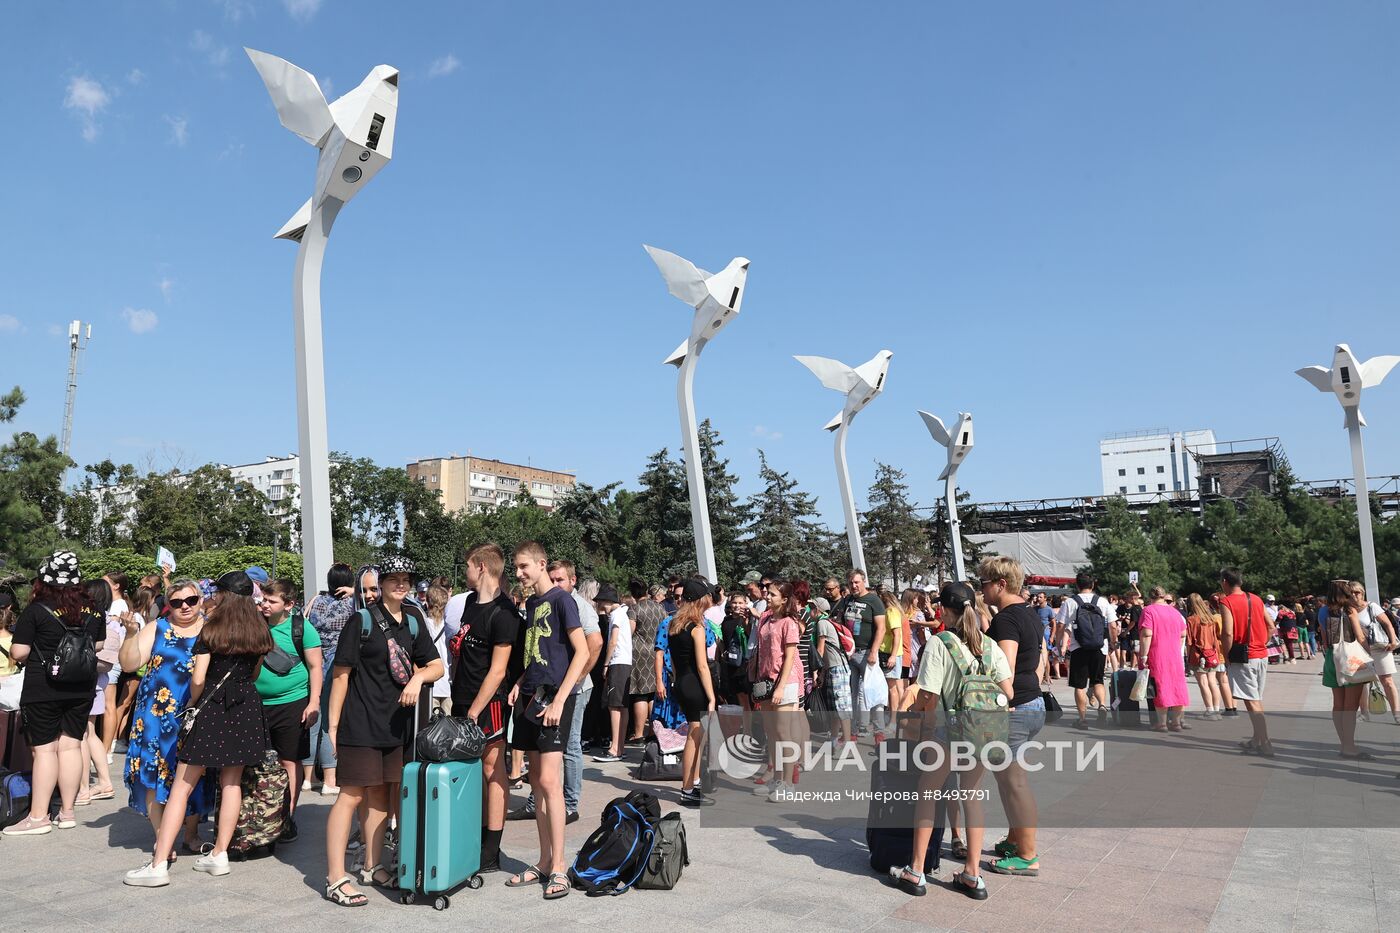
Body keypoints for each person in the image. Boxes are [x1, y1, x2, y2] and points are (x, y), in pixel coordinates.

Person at [123, 571, 274, 886]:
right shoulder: (260, 631)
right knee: (231, 783)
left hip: (211, 709)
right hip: (246, 707)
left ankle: (159, 864)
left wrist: (192, 704)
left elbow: (199, 680)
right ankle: (219, 854)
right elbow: (255, 672)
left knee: (183, 785)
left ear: (224, 595)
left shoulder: (211, 632)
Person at [323, 556, 443, 907]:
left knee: (381, 797)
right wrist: (332, 726)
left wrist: (418, 677)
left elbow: (435, 666)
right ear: (381, 582)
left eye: (406, 579)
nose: (400, 584)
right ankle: (335, 877)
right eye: (393, 578)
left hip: (397, 726)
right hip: (359, 724)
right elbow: (340, 676)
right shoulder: (360, 621)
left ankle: (373, 866)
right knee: (351, 796)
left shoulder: (414, 620)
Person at [895, 581, 1013, 899]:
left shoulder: (940, 643)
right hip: (982, 732)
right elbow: (1009, 691)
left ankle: (916, 871)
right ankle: (973, 874)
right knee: (971, 796)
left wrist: (923, 733)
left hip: (948, 732)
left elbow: (929, 697)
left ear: (945, 611)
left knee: (927, 792)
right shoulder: (989, 646)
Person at [503, 541, 589, 901]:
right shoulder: (533, 604)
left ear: (541, 564)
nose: (520, 573)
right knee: (537, 782)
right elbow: (539, 652)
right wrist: (521, 681)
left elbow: (582, 652)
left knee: (551, 783)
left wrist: (560, 698)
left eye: (524, 567)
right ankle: (542, 861)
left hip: (556, 700)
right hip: (530, 698)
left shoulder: (561, 600)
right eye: (516, 568)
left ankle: (558, 866)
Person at [3, 552, 107, 836]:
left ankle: (38, 818)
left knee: (45, 750)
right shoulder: (94, 608)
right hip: (82, 685)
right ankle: (68, 811)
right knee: (72, 746)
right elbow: (97, 646)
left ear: (44, 579)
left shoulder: (36, 609)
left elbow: (19, 652)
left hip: (44, 687)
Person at [117, 578, 211, 854]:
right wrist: (131, 635)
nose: (184, 607)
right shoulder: (156, 628)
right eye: (177, 602)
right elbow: (130, 663)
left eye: (191, 601)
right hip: (155, 718)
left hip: (195, 715)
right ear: (168, 605)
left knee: (196, 777)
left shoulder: (211, 630)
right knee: (153, 774)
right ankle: (162, 839)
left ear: (200, 600)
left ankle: (191, 834)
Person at [448, 542, 520, 874]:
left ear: (481, 566)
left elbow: (498, 670)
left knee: (492, 769)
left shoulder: (504, 612)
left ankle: (491, 848)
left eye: (467, 565)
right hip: (462, 699)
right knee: (469, 771)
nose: (464, 572)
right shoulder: (470, 604)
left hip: (487, 704)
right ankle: (471, 837)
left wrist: (476, 709)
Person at [979, 556, 1045, 878]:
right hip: (1031, 703)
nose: (982, 589)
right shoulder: (1030, 615)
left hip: (1013, 708)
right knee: (1008, 780)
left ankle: (1028, 855)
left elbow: (1003, 665)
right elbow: (1039, 660)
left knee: (1015, 783)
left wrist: (1000, 702)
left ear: (1000, 584)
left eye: (985, 583)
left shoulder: (1005, 620)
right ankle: (1015, 840)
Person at [253, 578, 323, 843]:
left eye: (272, 601)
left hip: (292, 702)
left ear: (289, 604)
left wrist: (314, 702)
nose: (265, 604)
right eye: (264, 599)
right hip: (256, 704)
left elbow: (316, 668)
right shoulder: (255, 624)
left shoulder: (302, 628)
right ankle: (260, 815)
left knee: (289, 761)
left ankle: (286, 818)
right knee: (255, 762)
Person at [301, 563, 357, 796]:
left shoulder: (315, 602)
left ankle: (308, 778)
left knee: (312, 720)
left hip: (312, 665)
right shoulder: (351, 605)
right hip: (337, 669)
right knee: (330, 723)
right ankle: (330, 779)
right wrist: (356, 593)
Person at [667, 579, 717, 806]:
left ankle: (694, 782)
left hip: (682, 682)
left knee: (695, 734)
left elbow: (676, 663)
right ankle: (687, 789)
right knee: (695, 736)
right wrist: (712, 696)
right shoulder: (696, 628)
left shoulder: (675, 625)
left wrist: (678, 682)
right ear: (700, 600)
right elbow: (702, 665)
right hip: (694, 683)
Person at [755, 580, 804, 800]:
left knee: (784, 734)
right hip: (764, 681)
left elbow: (790, 658)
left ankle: (787, 783)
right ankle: (776, 778)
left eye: (773, 594)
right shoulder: (765, 618)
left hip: (784, 681)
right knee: (771, 733)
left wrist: (781, 687)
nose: (767, 596)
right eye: (768, 593)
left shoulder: (789, 623)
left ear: (784, 599)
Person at [1217, 568, 1272, 757]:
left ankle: (1265, 743)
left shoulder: (1226, 601)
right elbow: (1271, 626)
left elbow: (1228, 632)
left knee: (1252, 701)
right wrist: (1261, 642)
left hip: (1243, 657)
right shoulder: (1255, 598)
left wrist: (1227, 655)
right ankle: (1257, 738)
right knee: (1255, 699)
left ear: (1225, 581)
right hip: (1261, 654)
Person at [1320, 580, 1373, 758]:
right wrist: (1371, 657)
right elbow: (1359, 636)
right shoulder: (1350, 610)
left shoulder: (1322, 610)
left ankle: (1344, 743)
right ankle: (1349, 746)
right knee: (1351, 706)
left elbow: (1325, 640)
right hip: (1351, 659)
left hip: (1331, 658)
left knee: (1338, 704)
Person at [833, 569, 886, 740]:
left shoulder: (873, 600)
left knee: (874, 692)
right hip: (850, 654)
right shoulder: (847, 600)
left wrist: (874, 651)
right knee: (852, 694)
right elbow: (841, 621)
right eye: (851, 583)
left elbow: (881, 628)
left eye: (857, 582)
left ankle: (878, 731)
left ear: (863, 581)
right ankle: (854, 731)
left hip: (867, 653)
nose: (854, 586)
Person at [1057, 572, 1114, 730]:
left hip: (1078, 648)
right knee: (1098, 680)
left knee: (1080, 685)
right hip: (1099, 647)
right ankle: (1102, 705)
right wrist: (1112, 642)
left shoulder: (1070, 602)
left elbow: (1061, 624)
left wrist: (1058, 641)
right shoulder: (1102, 601)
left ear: (1077, 585)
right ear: (1093, 585)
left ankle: (1082, 719)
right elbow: (1113, 624)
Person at [1137, 586, 1190, 732]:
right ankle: (1177, 722)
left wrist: (1143, 655)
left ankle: (1162, 723)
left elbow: (1147, 634)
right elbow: (1183, 634)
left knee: (1160, 686)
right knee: (1177, 686)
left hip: (1157, 653)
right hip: (1174, 655)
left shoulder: (1148, 611)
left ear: (1151, 597)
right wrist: (1176, 648)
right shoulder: (1174, 612)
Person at [592, 583, 633, 763]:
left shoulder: (616, 615)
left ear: (607, 601)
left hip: (617, 662)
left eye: (601, 603)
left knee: (614, 706)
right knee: (621, 706)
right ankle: (619, 746)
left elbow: (613, 641)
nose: (601, 607)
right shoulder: (623, 613)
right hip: (625, 662)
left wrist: (606, 663)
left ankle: (615, 748)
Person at [1349, 581, 1399, 723]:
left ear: (1362, 593)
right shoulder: (1348, 610)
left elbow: (1387, 623)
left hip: (1379, 648)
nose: (1354, 595)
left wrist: (1393, 641)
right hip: (1358, 650)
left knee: (1387, 681)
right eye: (1351, 593)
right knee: (1361, 682)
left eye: (1357, 592)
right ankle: (1364, 714)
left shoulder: (1371, 606)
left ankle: (1397, 714)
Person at [626, 581, 664, 744]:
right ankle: (652, 732)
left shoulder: (634, 609)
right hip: (656, 652)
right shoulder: (659, 608)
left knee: (640, 694)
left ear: (633, 593)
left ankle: (638, 733)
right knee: (652, 693)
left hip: (639, 653)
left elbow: (629, 632)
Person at [1185, 593, 1223, 720]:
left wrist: (1187, 657)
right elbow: (1215, 639)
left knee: (1203, 683)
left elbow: (1189, 642)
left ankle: (1209, 710)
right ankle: (1217, 710)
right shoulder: (1210, 619)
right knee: (1213, 682)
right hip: (1212, 653)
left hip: (1198, 654)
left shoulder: (1191, 619)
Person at [717, 591, 753, 708]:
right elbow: (723, 640)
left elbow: (750, 636)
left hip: (745, 664)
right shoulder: (726, 621)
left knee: (750, 698)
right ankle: (747, 725)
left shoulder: (748, 620)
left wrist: (746, 622)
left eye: (740, 603)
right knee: (740, 699)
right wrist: (722, 652)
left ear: (745, 604)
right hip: (732, 664)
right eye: (734, 603)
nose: (737, 605)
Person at [423, 582, 453, 714]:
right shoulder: (451, 625)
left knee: (431, 729)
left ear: (427, 602)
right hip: (449, 683)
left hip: (431, 683)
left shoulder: (424, 624)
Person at [877, 586, 905, 722]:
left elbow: (897, 634)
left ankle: (894, 720)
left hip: (890, 653)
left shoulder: (891, 612)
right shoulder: (891, 611)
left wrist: (893, 655)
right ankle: (893, 716)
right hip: (887, 652)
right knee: (893, 687)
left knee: (892, 688)